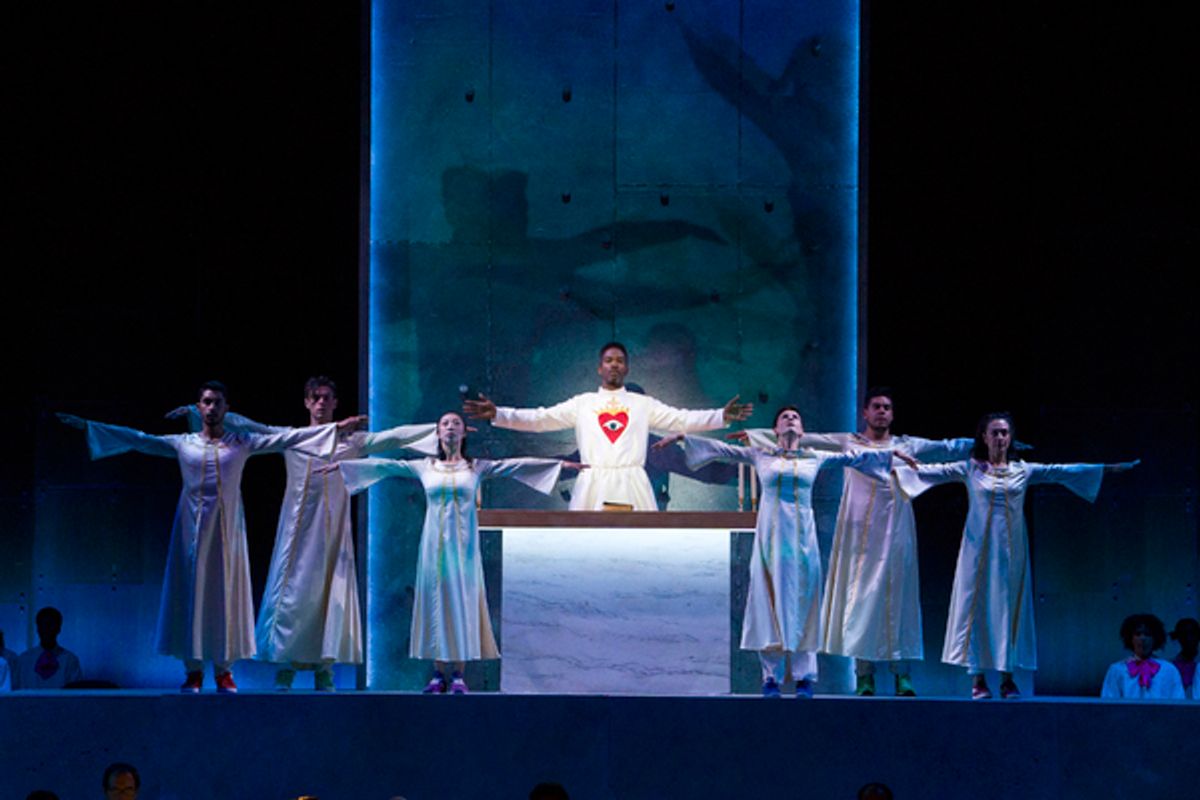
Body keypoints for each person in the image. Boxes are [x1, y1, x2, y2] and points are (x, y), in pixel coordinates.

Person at [59, 380, 357, 693]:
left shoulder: (241, 443)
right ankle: (193, 672)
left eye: (217, 402)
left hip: (228, 534)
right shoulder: (184, 443)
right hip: (191, 534)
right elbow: (141, 440)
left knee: (226, 596)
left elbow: (290, 436)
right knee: (191, 596)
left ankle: (224, 671)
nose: (212, 407)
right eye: (206, 402)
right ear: (199, 407)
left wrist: (336, 428)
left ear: (226, 409)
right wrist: (92, 427)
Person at [170, 376, 436, 691]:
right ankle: (287, 668)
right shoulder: (292, 438)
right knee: (292, 598)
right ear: (307, 403)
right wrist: (200, 411)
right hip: (297, 532)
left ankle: (325, 669)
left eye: (327, 397)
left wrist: (441, 431)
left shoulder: (352, 441)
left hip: (333, 534)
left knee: (330, 600)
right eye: (315, 397)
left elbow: (393, 437)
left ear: (335, 403)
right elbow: (253, 426)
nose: (321, 402)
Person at [657, 407, 911, 697]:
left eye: (796, 417)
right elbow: (724, 449)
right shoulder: (762, 455)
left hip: (802, 543)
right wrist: (683, 437)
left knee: (804, 603)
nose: (791, 419)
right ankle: (771, 677)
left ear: (802, 431)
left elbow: (855, 457)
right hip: (771, 543)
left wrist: (890, 454)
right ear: (775, 430)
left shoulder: (814, 457)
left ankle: (804, 676)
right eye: (784, 417)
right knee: (769, 602)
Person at [740, 388, 976, 696]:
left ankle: (901, 672)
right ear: (865, 413)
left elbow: (945, 447)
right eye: (876, 407)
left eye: (887, 407)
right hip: (858, 533)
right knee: (860, 601)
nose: (881, 412)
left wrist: (981, 444)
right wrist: (756, 434)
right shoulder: (847, 442)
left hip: (896, 531)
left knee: (899, 598)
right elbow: (806, 437)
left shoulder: (906, 445)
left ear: (892, 414)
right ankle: (863, 675)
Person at [893, 412, 1137, 699]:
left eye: (1004, 433)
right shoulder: (970, 468)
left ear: (1010, 438)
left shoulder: (1023, 470)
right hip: (977, 554)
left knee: (1009, 609)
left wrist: (1107, 468)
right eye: (994, 433)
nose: (1000, 438)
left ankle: (1008, 678)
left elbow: (1062, 471)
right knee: (977, 608)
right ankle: (978, 679)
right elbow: (929, 472)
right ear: (984, 437)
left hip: (1011, 556)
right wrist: (893, 464)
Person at [329, 411, 573, 694]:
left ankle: (458, 673)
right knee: (436, 602)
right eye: (444, 424)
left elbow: (513, 466)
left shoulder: (475, 467)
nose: (450, 428)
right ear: (437, 433)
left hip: (464, 550)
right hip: (433, 549)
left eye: (456, 423)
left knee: (462, 603)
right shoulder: (426, 466)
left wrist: (559, 465)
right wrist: (344, 467)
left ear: (464, 432)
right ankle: (437, 673)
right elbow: (386, 466)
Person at [463, 342, 752, 510]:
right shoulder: (583, 403)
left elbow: (681, 419)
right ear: (600, 368)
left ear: (626, 368)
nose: (614, 365)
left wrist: (720, 416)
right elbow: (540, 419)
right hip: (593, 484)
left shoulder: (642, 404)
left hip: (632, 483)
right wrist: (498, 414)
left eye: (620, 361)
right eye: (608, 361)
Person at [1101, 613, 1185, 700]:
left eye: (1147, 634)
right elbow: (1108, 705)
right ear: (1130, 638)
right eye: (1138, 634)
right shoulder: (1117, 670)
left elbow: (1178, 703)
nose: (1143, 638)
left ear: (1155, 638)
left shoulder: (1169, 670)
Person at [12, 607, 83, 690]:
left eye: (50, 625)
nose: (47, 629)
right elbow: (15, 692)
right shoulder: (23, 660)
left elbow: (75, 694)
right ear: (38, 629)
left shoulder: (70, 660)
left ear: (58, 629)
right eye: (43, 625)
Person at [1168, 617, 1199, 700]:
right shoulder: (1169, 666)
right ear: (1179, 638)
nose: (1189, 638)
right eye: (1184, 634)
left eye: (1192, 634)